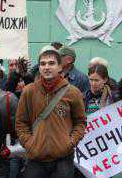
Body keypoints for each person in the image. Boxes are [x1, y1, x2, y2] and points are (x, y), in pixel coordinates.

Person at [15, 45, 86, 178]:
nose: (46, 67)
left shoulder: (73, 92)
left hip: (63, 159)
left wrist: (69, 143)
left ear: (60, 67)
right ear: (39, 68)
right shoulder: (29, 91)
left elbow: (80, 122)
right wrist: (30, 144)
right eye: (43, 64)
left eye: (51, 63)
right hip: (35, 158)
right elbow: (20, 123)